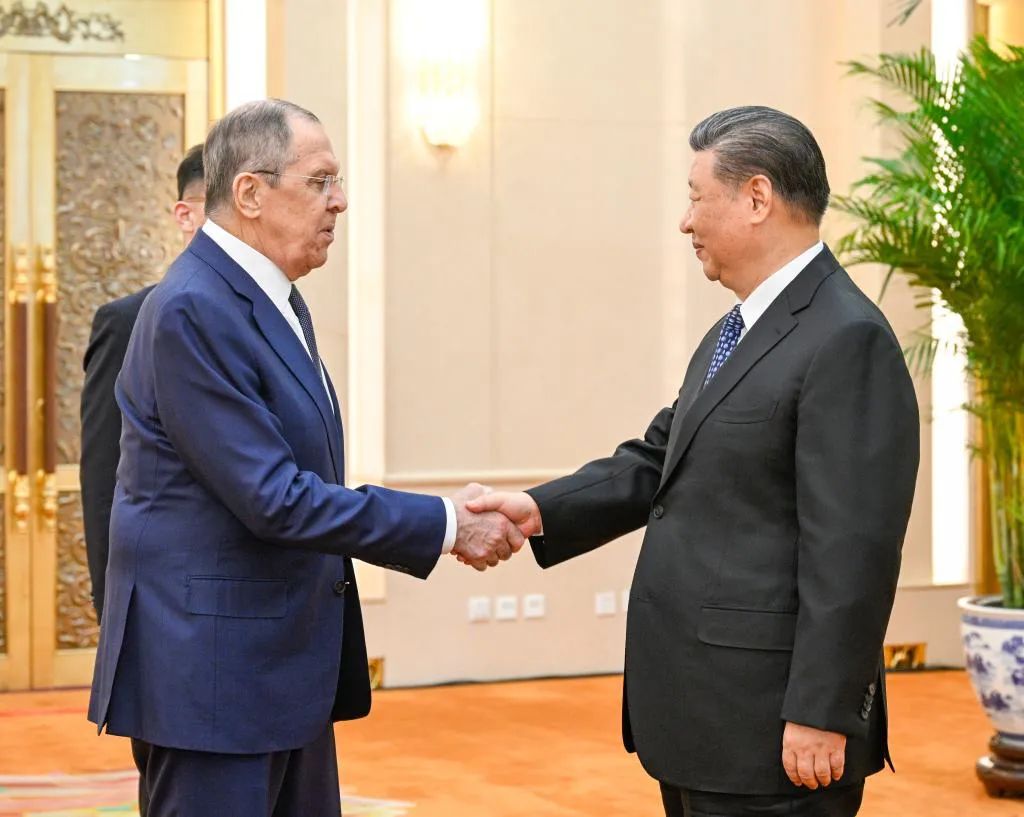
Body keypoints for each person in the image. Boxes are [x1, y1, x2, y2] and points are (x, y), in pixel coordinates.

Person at [468, 106, 920, 817]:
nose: (685, 222)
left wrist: (821, 711)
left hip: (774, 733)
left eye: (695, 197)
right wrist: (538, 509)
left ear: (757, 197)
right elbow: (660, 458)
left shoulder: (846, 338)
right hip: (705, 720)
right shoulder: (735, 329)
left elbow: (853, 551)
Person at [87, 99, 521, 817]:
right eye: (320, 181)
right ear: (250, 193)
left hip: (276, 668)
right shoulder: (194, 308)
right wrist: (447, 523)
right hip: (214, 680)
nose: (339, 201)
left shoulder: (270, 299)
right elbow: (275, 497)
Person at [81, 142, 207, 624]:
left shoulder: (279, 316)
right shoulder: (129, 321)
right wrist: (112, 601)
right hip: (158, 599)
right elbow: (104, 475)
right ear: (185, 215)